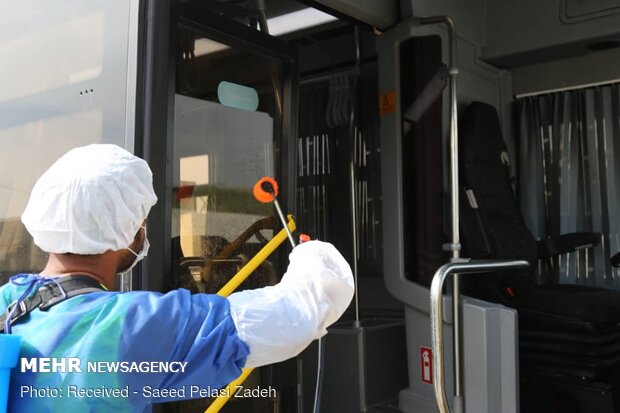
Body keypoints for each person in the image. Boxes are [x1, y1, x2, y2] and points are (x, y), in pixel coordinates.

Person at [0, 144, 354, 412]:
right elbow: (294, 316)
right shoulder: (133, 325)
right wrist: (313, 259)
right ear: (128, 234)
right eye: (140, 220)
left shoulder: (8, 302)